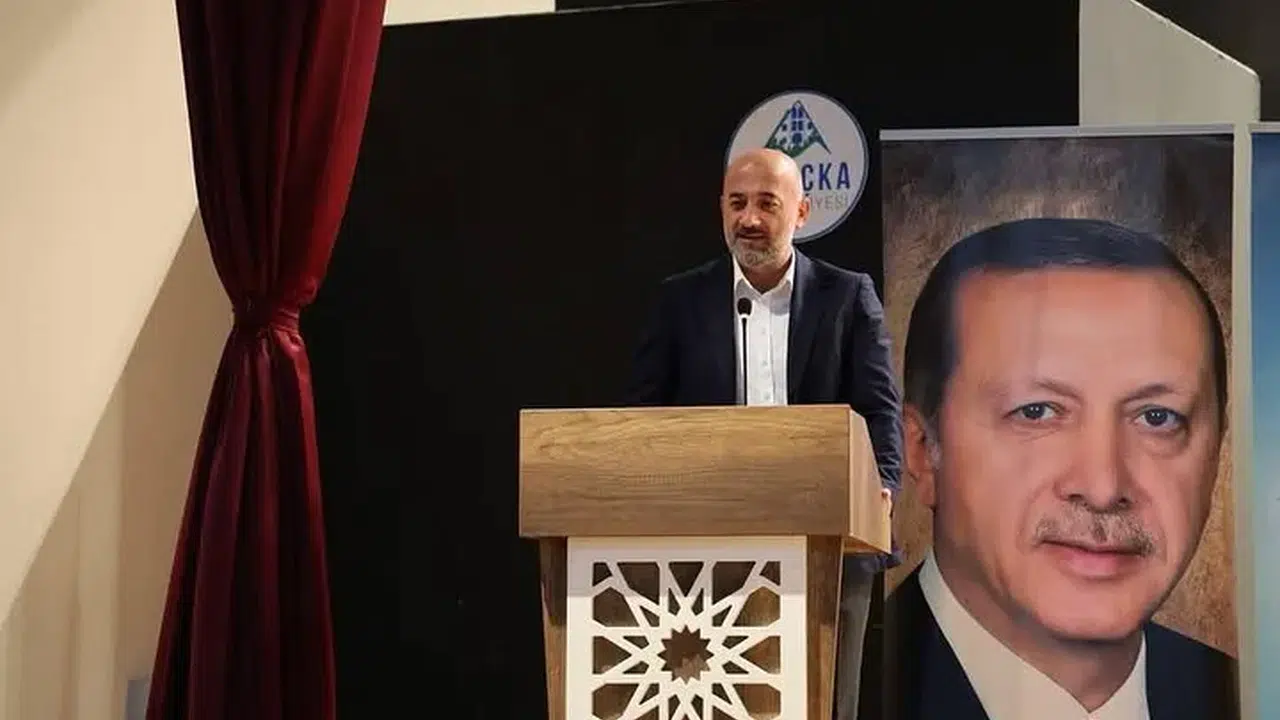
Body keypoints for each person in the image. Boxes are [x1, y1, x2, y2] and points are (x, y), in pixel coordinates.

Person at [884, 217, 1238, 720]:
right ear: (922, 450)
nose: (1102, 487)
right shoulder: (821, 694)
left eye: (1157, 418)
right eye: (1036, 412)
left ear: (1216, 453)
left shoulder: (1251, 695)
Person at [625, 147, 903, 720]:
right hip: (706, 547)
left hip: (831, 539)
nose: (748, 218)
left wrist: (882, 491)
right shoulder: (681, 301)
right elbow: (645, 417)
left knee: (824, 704)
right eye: (737, 203)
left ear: (801, 212)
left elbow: (879, 411)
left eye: (766, 204)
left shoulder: (846, 297)